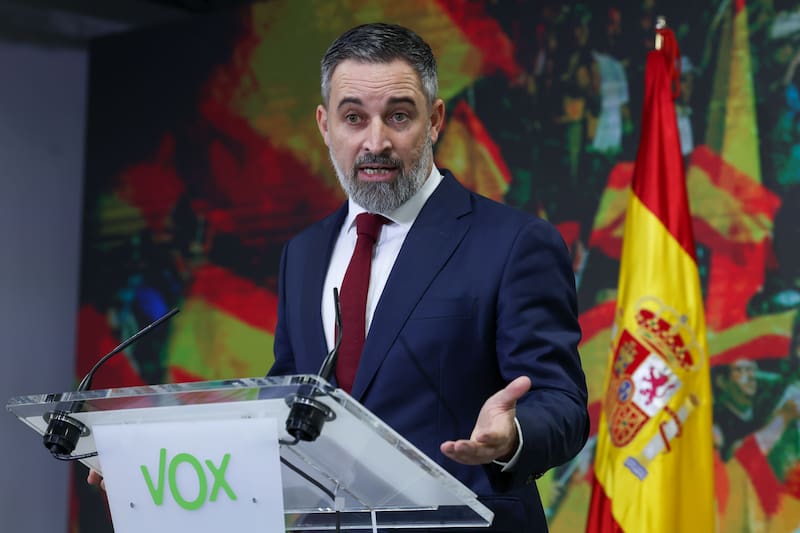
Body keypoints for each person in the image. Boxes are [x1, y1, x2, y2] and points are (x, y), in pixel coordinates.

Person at [268, 22, 589, 532]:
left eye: (398, 116)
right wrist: (157, 463)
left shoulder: (514, 243)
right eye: (354, 118)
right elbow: (286, 395)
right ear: (325, 125)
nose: (377, 141)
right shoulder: (302, 254)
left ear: (435, 119)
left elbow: (562, 403)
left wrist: (513, 435)